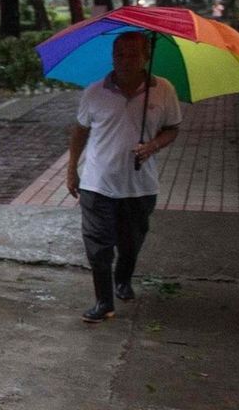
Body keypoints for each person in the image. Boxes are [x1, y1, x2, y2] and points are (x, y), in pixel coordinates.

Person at [65, 30, 182, 322]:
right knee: (98, 244)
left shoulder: (164, 89)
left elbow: (172, 128)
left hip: (140, 186)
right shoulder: (94, 91)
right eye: (119, 54)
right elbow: (80, 131)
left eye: (133, 55)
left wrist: (152, 146)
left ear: (147, 57)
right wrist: (72, 169)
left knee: (130, 242)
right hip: (97, 183)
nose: (125, 61)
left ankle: (123, 279)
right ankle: (104, 302)